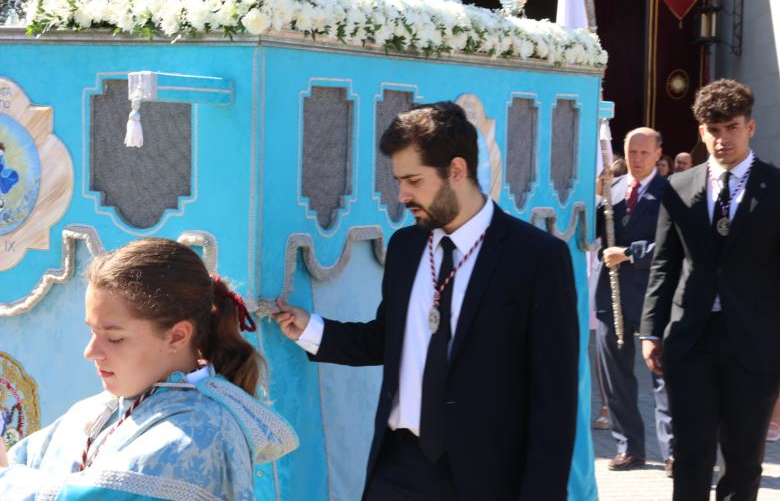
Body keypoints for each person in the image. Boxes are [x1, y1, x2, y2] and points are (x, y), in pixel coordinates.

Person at [275, 102, 579, 500]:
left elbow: (553, 398)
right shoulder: (406, 247)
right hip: (399, 467)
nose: (402, 194)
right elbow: (390, 339)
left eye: (414, 180)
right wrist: (312, 330)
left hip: (488, 478)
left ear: (456, 170)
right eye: (400, 180)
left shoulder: (537, 258)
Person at [0, 238, 298, 499]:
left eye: (114, 337)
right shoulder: (91, 413)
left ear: (177, 336)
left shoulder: (202, 431)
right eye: (92, 332)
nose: (91, 352)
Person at [641, 79, 780, 500]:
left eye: (732, 127)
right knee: (690, 455)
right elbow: (665, 262)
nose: (723, 139)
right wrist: (650, 330)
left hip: (753, 344)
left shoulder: (776, 187)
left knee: (742, 459)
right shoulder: (679, 187)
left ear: (750, 128)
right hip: (691, 339)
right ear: (701, 132)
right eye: (713, 129)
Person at [594, 127, 674, 475]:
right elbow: (593, 231)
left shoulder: (671, 192)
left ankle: (674, 452)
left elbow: (674, 246)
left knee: (663, 379)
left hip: (653, 298)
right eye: (631, 153)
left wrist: (629, 253)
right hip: (609, 298)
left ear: (658, 154)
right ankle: (629, 448)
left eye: (644, 153)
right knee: (615, 377)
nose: (636, 160)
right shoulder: (611, 190)